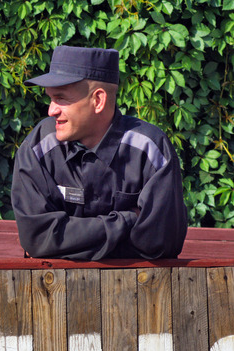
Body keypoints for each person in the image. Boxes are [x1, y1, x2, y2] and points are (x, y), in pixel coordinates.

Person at [11, 45, 187, 260]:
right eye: (50, 98)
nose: (51, 110)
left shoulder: (150, 148)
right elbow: (38, 239)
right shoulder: (38, 146)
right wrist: (130, 219)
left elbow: (161, 244)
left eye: (61, 98)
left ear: (98, 100)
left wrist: (64, 242)